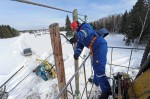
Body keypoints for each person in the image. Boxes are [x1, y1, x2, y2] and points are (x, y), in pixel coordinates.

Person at [69, 21, 112, 99]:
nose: (74, 29)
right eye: (73, 29)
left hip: (99, 45)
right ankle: (96, 81)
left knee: (99, 69)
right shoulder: (80, 36)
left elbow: (85, 32)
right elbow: (79, 46)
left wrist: (77, 36)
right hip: (94, 49)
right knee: (95, 66)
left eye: (75, 27)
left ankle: (106, 91)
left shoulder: (85, 26)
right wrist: (76, 53)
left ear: (78, 25)